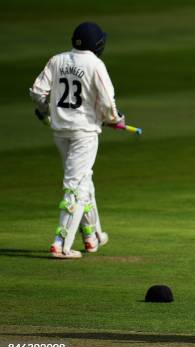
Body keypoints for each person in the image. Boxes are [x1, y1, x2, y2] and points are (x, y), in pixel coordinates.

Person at [29, 22, 124, 258]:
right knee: (75, 186)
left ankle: (92, 236)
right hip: (84, 133)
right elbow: (106, 100)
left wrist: (48, 110)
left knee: (83, 181)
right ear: (98, 44)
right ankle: (61, 244)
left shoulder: (57, 60)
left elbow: (37, 92)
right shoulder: (95, 64)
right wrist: (114, 118)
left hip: (60, 131)